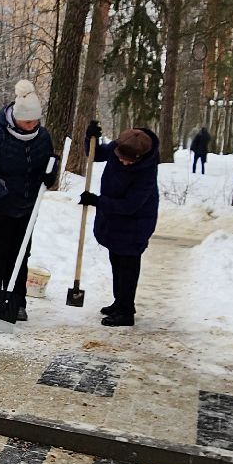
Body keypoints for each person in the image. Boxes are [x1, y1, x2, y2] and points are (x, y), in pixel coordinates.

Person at [0, 80, 57, 318]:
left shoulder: (42, 136)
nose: (31, 126)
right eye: (26, 122)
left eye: (35, 121)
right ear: (15, 117)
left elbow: (47, 162)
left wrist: (51, 174)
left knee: (19, 255)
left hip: (24, 207)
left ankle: (15, 303)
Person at [80, 123, 161, 327]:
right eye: (121, 158)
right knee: (116, 260)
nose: (124, 163)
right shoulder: (119, 148)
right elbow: (95, 154)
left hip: (136, 222)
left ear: (140, 157)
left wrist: (98, 201)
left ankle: (126, 312)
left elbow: (130, 206)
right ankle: (121, 302)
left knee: (128, 265)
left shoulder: (146, 171)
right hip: (115, 219)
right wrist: (90, 138)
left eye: (129, 161)